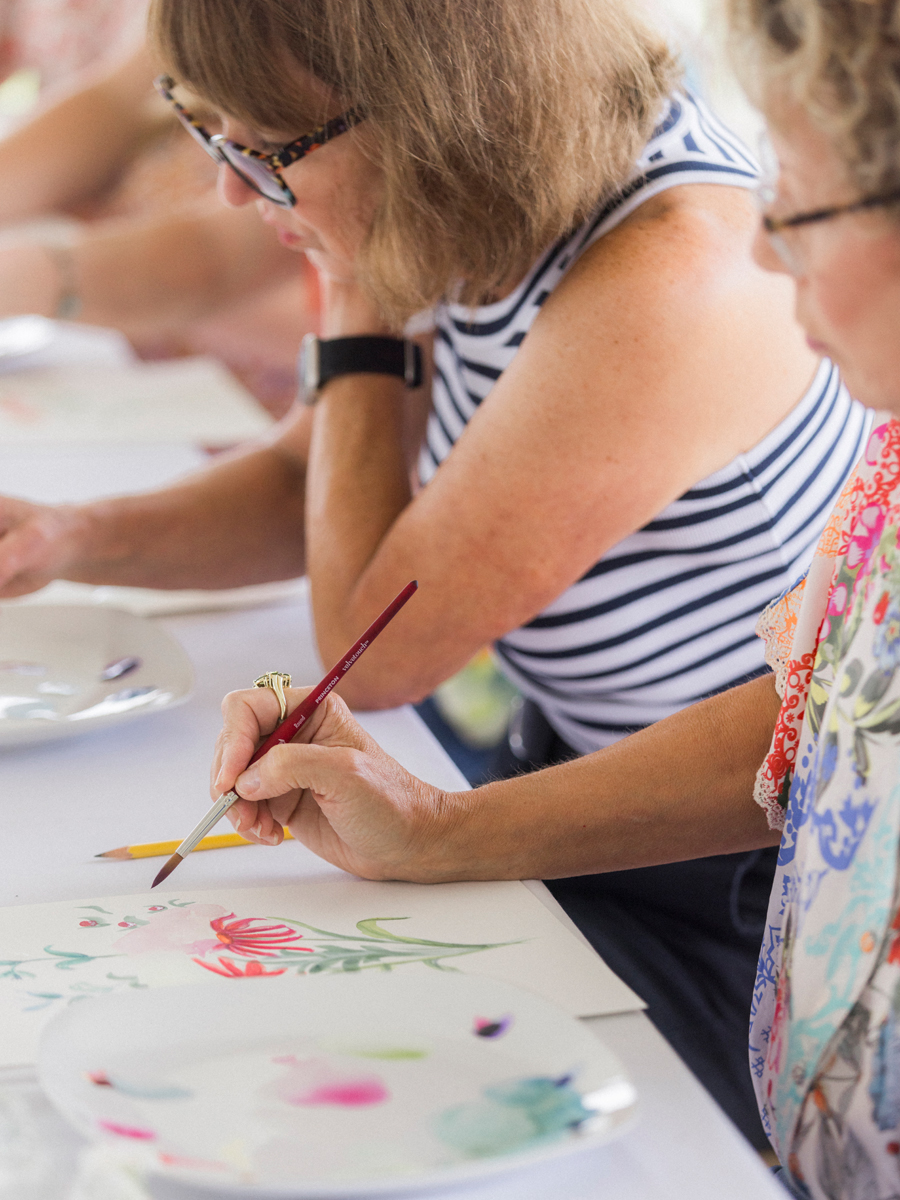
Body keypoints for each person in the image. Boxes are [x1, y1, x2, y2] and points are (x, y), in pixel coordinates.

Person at [0, 0, 871, 1145]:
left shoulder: (672, 271)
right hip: (566, 774)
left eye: (264, 151)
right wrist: (63, 538)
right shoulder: (488, 189)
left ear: (428, 113)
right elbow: (312, 485)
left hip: (717, 884)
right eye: (218, 141)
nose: (231, 191)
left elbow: (382, 640)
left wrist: (354, 290)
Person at [0, 27, 311, 413]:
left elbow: (217, 255)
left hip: (242, 381)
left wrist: (33, 278)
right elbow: (117, 97)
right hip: (118, 335)